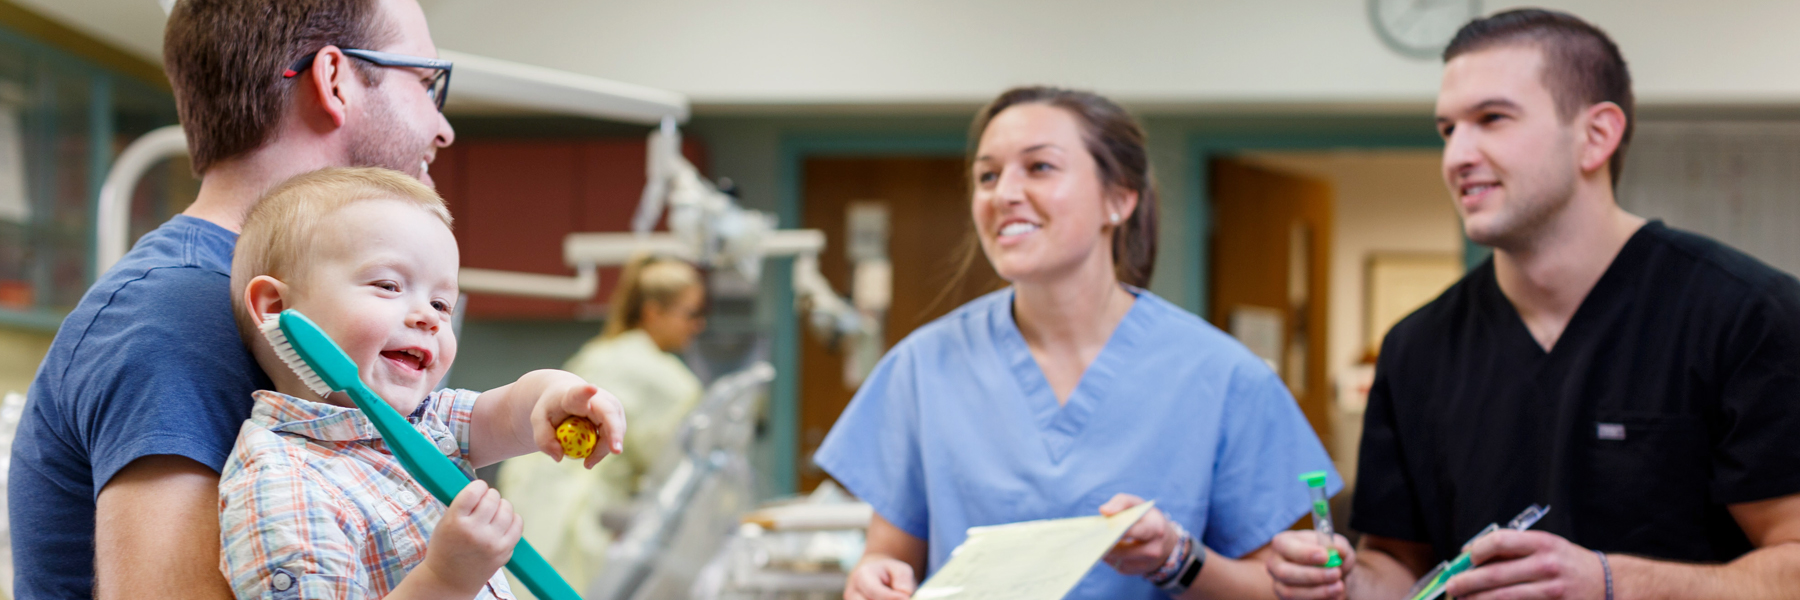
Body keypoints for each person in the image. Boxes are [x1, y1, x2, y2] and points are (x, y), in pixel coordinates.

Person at [1266, 9, 1800, 600]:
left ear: (1596, 135)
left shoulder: (1746, 316)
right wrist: (1344, 581)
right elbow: (1397, 563)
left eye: (1492, 119)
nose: (1456, 156)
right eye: (1447, 130)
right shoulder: (1416, 346)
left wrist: (1609, 582)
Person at [815, 86, 1338, 600]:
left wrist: (1176, 558)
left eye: (1039, 167)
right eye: (988, 175)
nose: (1005, 194)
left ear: (1119, 199)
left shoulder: (1221, 375)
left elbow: (1282, 588)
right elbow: (887, 556)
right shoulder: (924, 366)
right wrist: (873, 580)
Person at [8, 0, 456, 596]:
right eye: (426, 83)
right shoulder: (180, 314)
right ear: (334, 80)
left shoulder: (289, 308)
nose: (442, 127)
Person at [219, 167, 627, 599]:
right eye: (389, 285)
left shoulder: (424, 421)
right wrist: (445, 581)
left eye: (441, 302)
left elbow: (506, 414)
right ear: (277, 307)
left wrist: (556, 395)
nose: (429, 317)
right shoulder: (282, 489)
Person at [497, 254, 708, 596]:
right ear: (654, 312)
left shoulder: (601, 351)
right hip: (574, 513)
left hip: (529, 492)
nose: (698, 325)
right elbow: (672, 466)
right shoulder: (668, 380)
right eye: (692, 313)